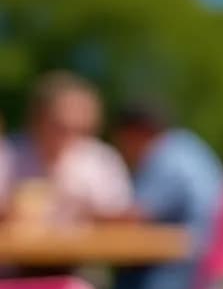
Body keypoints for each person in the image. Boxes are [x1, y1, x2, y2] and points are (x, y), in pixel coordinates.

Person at [105, 104, 223, 289]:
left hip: (182, 275)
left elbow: (136, 214)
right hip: (204, 273)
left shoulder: (166, 157)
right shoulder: (190, 148)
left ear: (137, 133)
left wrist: (92, 217)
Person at [0, 72, 132, 223]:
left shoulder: (101, 159)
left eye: (80, 129)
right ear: (37, 119)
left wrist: (82, 211)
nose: (69, 138)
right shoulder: (7, 153)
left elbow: (122, 216)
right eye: (60, 127)